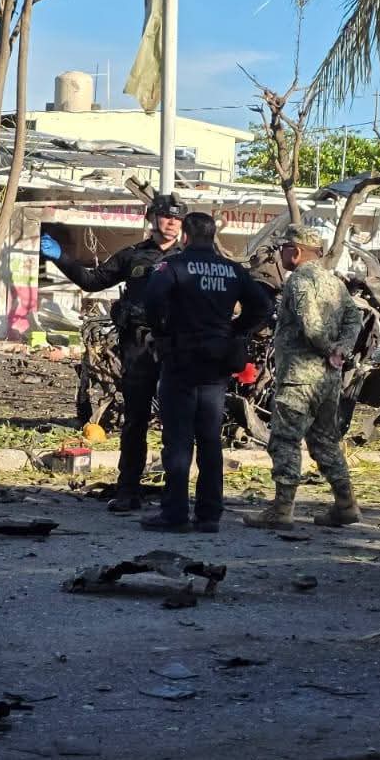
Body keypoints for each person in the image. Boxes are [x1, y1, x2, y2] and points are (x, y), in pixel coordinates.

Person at [41, 193, 185, 511]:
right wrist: (62, 258)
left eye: (178, 218)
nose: (172, 222)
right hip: (138, 349)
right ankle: (128, 489)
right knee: (135, 420)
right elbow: (93, 281)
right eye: (166, 216)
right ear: (152, 218)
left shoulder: (188, 258)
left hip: (176, 350)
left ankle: (175, 494)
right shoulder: (132, 256)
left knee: (177, 422)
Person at [141, 213, 270, 532]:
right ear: (213, 236)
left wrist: (162, 330)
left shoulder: (172, 266)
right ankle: (210, 514)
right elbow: (263, 307)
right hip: (216, 363)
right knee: (210, 439)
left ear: (185, 236)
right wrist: (234, 331)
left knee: (178, 439)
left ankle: (174, 514)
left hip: (180, 360)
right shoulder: (233, 270)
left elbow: (152, 301)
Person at [250, 224, 365, 530]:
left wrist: (329, 348)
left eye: (283, 249)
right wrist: (342, 348)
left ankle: (281, 509)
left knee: (285, 439)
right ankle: (345, 504)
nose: (280, 254)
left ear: (296, 252)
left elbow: (310, 324)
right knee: (325, 440)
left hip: (299, 377)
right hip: (328, 380)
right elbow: (354, 318)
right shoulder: (334, 282)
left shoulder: (299, 281)